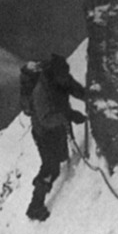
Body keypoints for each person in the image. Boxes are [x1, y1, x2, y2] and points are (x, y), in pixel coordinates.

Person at [20, 53, 87, 221]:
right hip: (44, 133)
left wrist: (90, 97)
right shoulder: (40, 90)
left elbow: (74, 88)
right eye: (62, 76)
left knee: (60, 159)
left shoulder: (60, 76)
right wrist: (69, 116)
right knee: (51, 167)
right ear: (54, 74)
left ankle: (42, 185)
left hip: (55, 127)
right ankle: (35, 207)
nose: (65, 79)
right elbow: (45, 119)